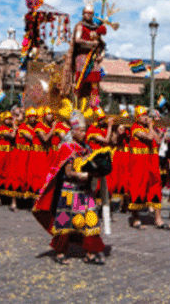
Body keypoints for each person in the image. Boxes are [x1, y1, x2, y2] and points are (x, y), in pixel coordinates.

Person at [32, 110, 108, 265]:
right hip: (70, 191)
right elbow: (69, 172)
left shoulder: (86, 148)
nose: (84, 133)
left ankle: (90, 252)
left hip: (86, 191)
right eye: (80, 130)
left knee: (91, 221)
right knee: (65, 223)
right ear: (73, 132)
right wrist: (87, 176)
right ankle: (60, 252)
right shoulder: (67, 148)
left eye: (85, 130)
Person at [126, 106, 169, 230]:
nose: (145, 118)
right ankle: (135, 218)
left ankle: (158, 219)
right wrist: (151, 127)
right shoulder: (135, 129)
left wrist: (158, 131)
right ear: (137, 118)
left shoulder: (148, 128)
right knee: (137, 189)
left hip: (151, 162)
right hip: (138, 164)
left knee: (156, 188)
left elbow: (157, 141)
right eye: (143, 116)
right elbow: (149, 138)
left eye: (146, 115)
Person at [65, 4, 107, 107]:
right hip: (82, 56)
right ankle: (77, 104)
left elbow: (102, 44)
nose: (89, 15)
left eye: (91, 13)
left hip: (93, 57)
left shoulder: (96, 28)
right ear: (83, 14)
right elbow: (77, 40)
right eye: (87, 13)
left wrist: (101, 55)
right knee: (80, 80)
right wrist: (90, 43)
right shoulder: (80, 26)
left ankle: (93, 105)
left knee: (94, 82)